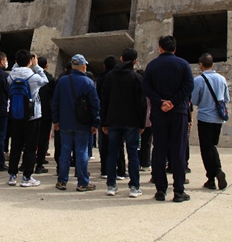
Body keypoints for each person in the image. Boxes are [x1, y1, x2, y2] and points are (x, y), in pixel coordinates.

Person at [142, 35, 194, 203]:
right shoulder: (183, 64)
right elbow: (189, 86)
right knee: (178, 150)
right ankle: (179, 190)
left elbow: (146, 88)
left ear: (160, 48)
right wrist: (173, 102)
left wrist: (160, 102)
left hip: (159, 113)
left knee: (159, 150)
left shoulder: (152, 65)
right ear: (175, 49)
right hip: (179, 112)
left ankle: (160, 190)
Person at [101, 48, 146, 198]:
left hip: (113, 120)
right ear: (135, 61)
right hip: (132, 121)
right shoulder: (136, 78)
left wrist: (104, 121)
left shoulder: (110, 76)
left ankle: (111, 185)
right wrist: (142, 123)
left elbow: (104, 100)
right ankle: (134, 187)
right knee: (132, 153)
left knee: (112, 153)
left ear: (121, 59)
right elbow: (141, 103)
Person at [52, 54, 100, 192]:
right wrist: (95, 122)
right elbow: (95, 105)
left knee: (65, 152)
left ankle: (62, 181)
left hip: (65, 122)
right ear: (84, 66)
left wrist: (56, 120)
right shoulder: (89, 82)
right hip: (82, 123)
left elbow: (55, 102)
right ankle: (82, 182)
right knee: (81, 152)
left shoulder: (62, 81)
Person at [7, 49, 48, 187]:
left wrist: (16, 65)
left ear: (16, 61)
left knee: (16, 145)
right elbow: (45, 80)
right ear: (30, 61)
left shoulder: (11, 76)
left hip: (15, 114)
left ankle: (12, 175)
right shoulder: (33, 77)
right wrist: (37, 66)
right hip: (32, 115)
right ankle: (27, 177)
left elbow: (12, 73)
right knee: (30, 147)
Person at [191, 53, 229, 191]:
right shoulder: (222, 79)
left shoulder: (199, 80)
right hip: (218, 118)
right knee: (212, 146)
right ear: (212, 64)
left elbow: (194, 100)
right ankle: (217, 171)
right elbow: (226, 98)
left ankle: (212, 176)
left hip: (205, 118)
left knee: (206, 148)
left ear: (201, 64)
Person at [35, 56, 55, 175]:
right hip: (46, 112)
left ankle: (26, 163)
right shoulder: (50, 79)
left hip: (32, 112)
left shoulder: (32, 76)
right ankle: (40, 162)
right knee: (43, 139)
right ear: (46, 65)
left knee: (31, 138)